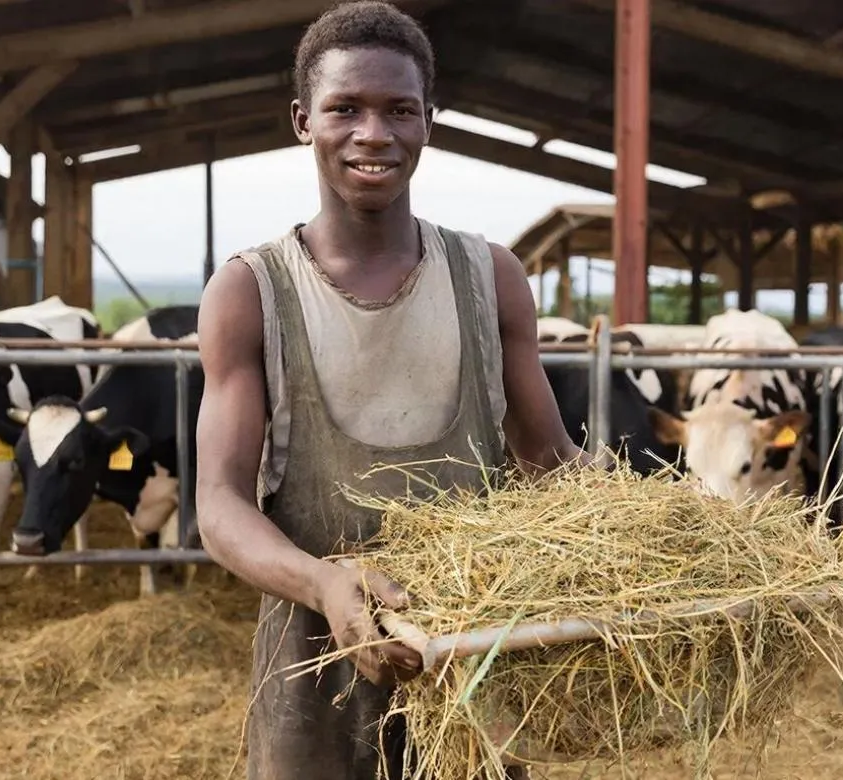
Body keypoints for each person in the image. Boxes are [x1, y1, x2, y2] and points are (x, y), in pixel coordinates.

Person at [193, 2, 590, 778]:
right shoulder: (251, 292)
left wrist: (685, 536)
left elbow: (550, 462)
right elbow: (219, 503)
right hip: (313, 674)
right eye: (345, 108)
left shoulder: (490, 278)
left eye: (399, 110)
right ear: (303, 122)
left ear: (428, 123)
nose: (374, 133)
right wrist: (324, 583)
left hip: (469, 669)